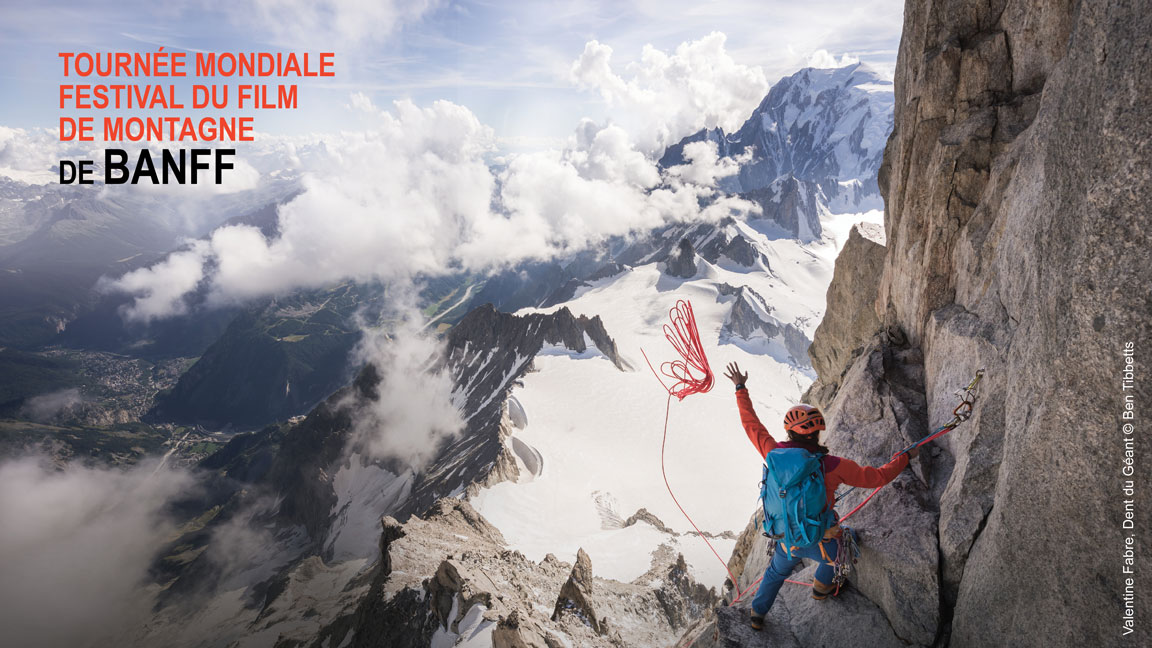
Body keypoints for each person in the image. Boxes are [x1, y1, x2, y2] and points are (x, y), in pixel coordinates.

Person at [723, 362, 918, 631]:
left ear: (789, 432)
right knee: (839, 553)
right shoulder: (832, 465)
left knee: (776, 572)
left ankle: (757, 614)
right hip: (820, 537)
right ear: (816, 433)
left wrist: (740, 387)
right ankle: (820, 589)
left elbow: (751, 425)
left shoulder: (772, 453)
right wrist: (904, 458)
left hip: (785, 538)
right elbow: (877, 478)